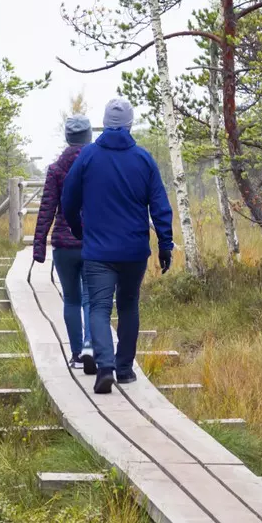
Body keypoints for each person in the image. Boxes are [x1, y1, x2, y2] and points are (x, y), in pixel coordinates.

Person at [59, 97, 174, 394]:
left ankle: (105, 367)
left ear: (105, 123)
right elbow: (160, 205)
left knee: (98, 307)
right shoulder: (143, 159)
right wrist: (165, 244)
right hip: (134, 250)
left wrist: (76, 228)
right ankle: (124, 370)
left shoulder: (88, 156)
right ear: (129, 124)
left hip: (98, 251)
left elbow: (68, 198)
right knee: (128, 305)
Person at [30, 113, 94, 371]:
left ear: (68, 138)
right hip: (93, 243)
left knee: (71, 300)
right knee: (92, 298)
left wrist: (38, 246)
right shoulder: (95, 166)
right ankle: (91, 344)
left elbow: (47, 208)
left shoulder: (56, 169)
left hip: (64, 245)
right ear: (88, 137)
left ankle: (77, 355)